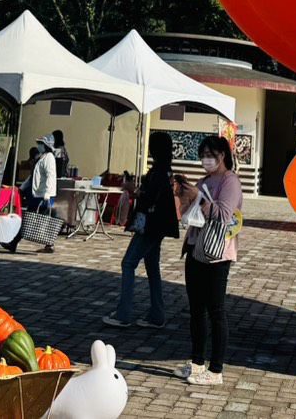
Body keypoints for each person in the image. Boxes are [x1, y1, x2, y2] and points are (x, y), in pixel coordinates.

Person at [175, 135, 243, 387]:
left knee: (216, 310)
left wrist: (200, 199)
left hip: (216, 254)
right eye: (202, 154)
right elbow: (190, 214)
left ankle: (216, 370)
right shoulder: (203, 181)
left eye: (210, 154)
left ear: (222, 155)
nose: (206, 159)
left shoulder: (230, 181)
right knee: (196, 310)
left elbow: (225, 214)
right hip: (194, 249)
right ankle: (197, 363)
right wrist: (185, 196)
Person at [104, 131, 178, 329]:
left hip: (150, 225)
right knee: (152, 267)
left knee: (128, 263)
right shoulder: (165, 171)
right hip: (158, 226)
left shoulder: (159, 173)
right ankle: (156, 313)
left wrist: (131, 189)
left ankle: (124, 313)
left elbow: (148, 198)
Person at [2, 136, 58, 253]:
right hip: (37, 194)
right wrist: (22, 187)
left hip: (43, 195)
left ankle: (14, 243)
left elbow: (50, 176)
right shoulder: (40, 157)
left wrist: (47, 193)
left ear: (46, 145)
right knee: (34, 218)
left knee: (37, 219)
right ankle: (48, 244)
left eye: (41, 143)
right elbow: (33, 175)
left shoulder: (49, 158)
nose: (39, 146)